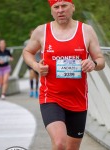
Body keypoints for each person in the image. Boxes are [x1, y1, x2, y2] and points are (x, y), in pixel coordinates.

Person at [23, 0, 105, 149]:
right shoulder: (42, 31)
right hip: (51, 97)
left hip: (78, 100)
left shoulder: (86, 31)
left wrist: (93, 64)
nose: (60, 10)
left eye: (64, 6)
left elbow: (100, 59)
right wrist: (36, 66)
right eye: (56, 7)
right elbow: (27, 51)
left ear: (72, 7)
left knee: (72, 147)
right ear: (51, 10)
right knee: (60, 143)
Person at [24, 30, 41, 98]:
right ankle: (31, 90)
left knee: (36, 77)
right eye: (31, 33)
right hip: (30, 61)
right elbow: (25, 51)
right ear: (30, 34)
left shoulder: (39, 41)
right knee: (31, 75)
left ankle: (36, 90)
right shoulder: (26, 42)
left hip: (37, 61)